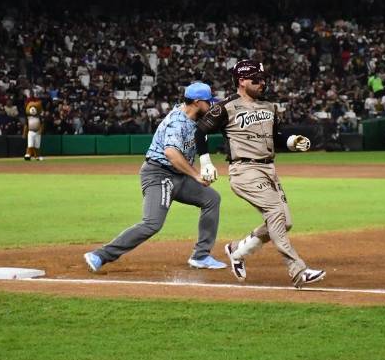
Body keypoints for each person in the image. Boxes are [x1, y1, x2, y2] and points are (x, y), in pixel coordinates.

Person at [194, 60, 326, 289]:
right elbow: (200, 131)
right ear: (242, 81)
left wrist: (291, 141)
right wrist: (205, 161)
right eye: (256, 78)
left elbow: (277, 136)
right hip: (244, 170)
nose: (262, 82)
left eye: (264, 78)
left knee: (285, 223)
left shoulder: (269, 107)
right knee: (275, 212)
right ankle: (298, 271)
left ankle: (238, 250)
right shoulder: (226, 107)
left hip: (269, 169)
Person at [84, 82, 226, 272]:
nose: (211, 106)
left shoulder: (196, 120)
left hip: (178, 175)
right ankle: (100, 255)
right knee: (152, 223)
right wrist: (197, 175)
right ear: (198, 103)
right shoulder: (178, 121)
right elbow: (171, 153)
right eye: (208, 102)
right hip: (159, 174)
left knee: (211, 199)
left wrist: (204, 165)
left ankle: (201, 256)